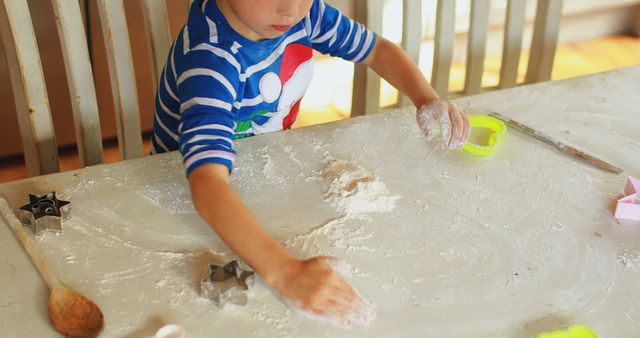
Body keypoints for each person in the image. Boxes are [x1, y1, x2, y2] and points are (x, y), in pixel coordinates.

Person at [152, 0, 470, 324]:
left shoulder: (308, 15)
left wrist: (425, 97)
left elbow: (378, 50)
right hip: (184, 196)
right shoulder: (211, 59)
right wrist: (285, 273)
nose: (291, 10)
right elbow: (207, 183)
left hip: (258, 177)